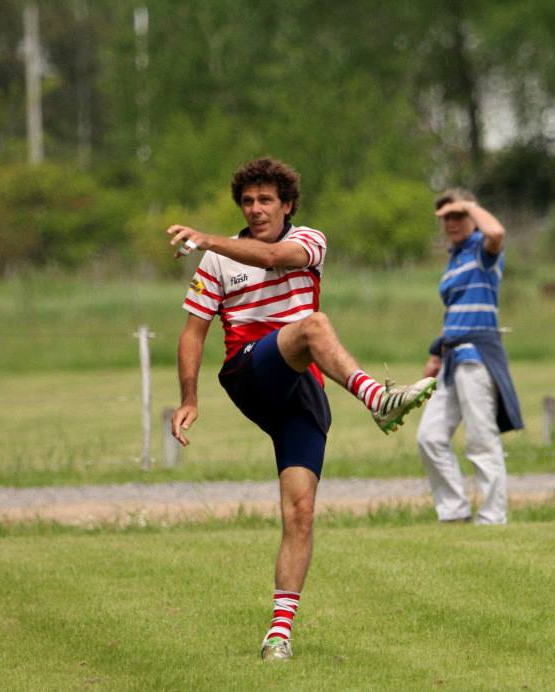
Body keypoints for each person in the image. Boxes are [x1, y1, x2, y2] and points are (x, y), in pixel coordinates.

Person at [167, 157, 436, 661]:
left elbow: (274, 257)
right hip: (248, 372)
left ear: (287, 205)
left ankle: (279, 634)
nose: (255, 209)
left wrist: (206, 238)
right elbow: (193, 333)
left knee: (301, 511)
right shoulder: (216, 261)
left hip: (300, 389)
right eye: (248, 201)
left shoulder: (310, 241)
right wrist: (189, 398)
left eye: (265, 200)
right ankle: (377, 399)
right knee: (313, 326)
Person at [416, 189, 523, 525]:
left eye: (457, 215)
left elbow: (497, 232)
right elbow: (455, 312)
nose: (451, 222)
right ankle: (454, 512)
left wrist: (469, 205)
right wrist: (436, 356)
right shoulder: (456, 257)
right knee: (430, 437)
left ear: (472, 216)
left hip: (476, 357)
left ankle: (492, 516)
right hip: (451, 358)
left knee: (480, 440)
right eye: (446, 217)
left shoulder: (482, 249)